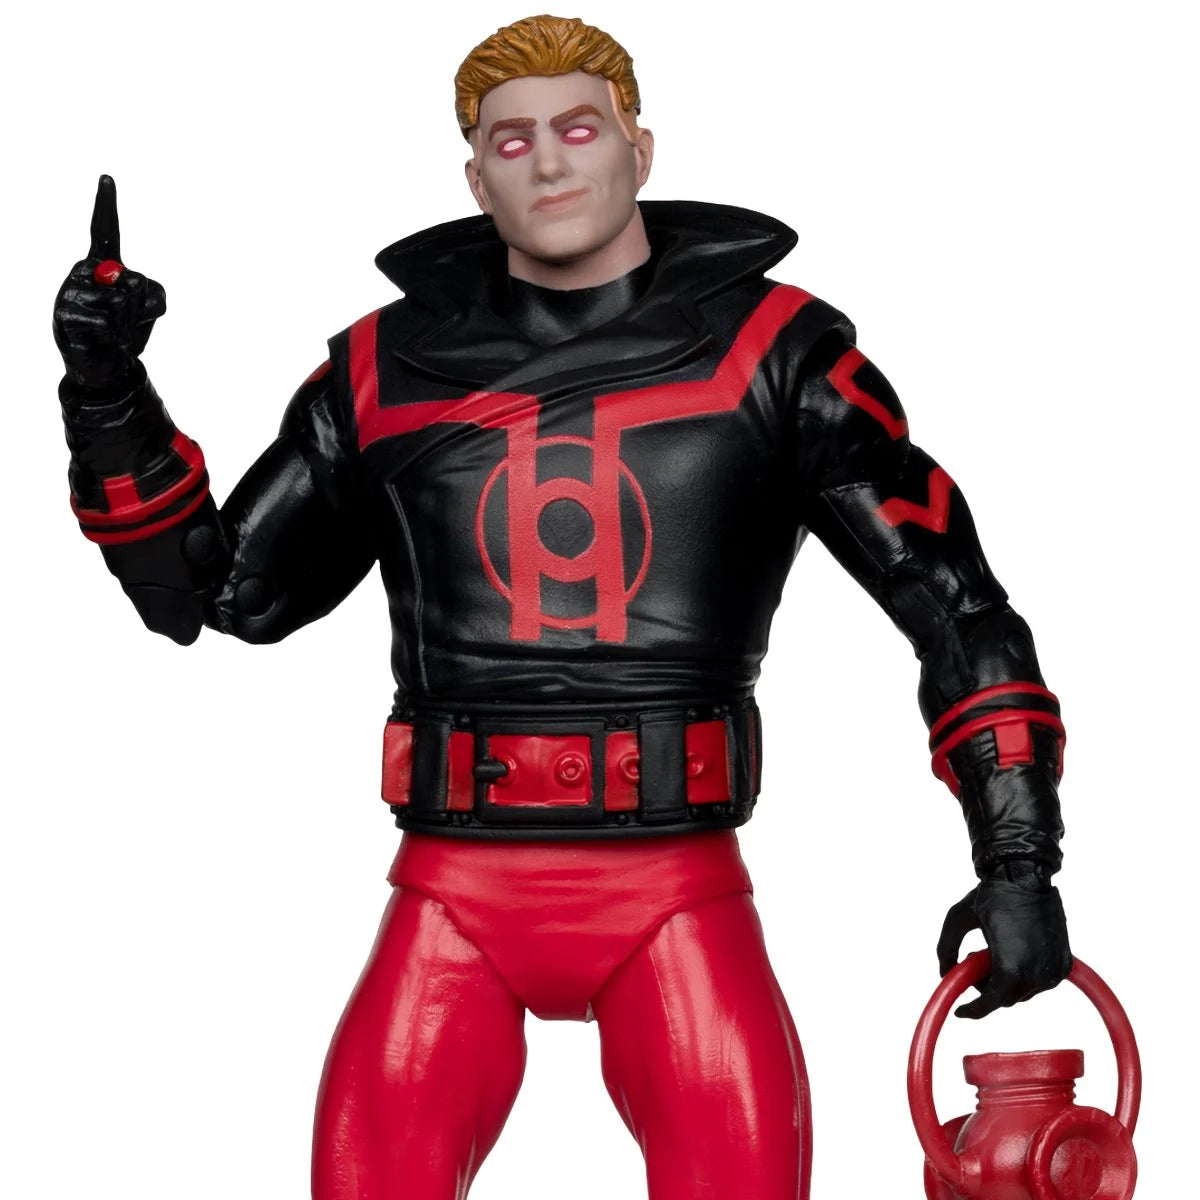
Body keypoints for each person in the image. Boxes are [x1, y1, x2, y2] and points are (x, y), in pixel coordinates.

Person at [52, 14, 1072, 1200]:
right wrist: (106, 393)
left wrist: (1019, 857)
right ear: (473, 176)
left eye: (578, 128)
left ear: (641, 147)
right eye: (511, 139)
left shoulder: (774, 354)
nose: (546, 161)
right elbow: (217, 592)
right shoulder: (381, 370)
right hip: (454, 886)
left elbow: (953, 603)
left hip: (675, 886)